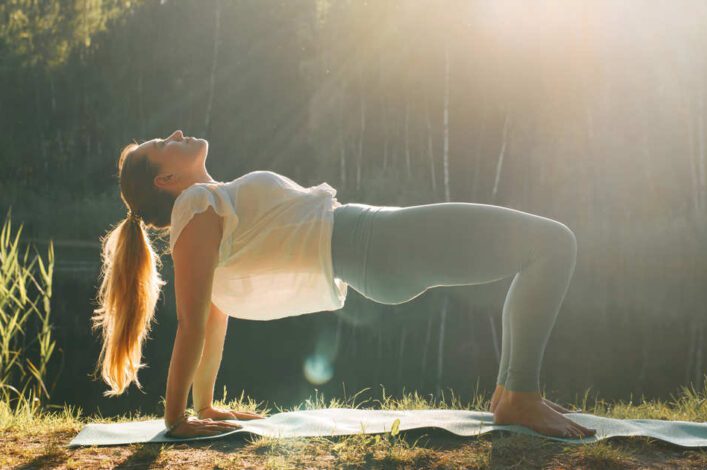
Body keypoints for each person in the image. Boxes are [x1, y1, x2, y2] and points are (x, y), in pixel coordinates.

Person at [92, 129, 596, 440]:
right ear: (165, 181)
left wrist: (204, 405)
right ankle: (518, 394)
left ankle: (512, 392)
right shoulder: (196, 206)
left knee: (544, 247)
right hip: (376, 244)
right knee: (554, 244)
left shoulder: (211, 206)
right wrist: (177, 416)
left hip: (375, 246)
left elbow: (213, 317)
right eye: (163, 145)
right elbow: (192, 322)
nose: (176, 133)